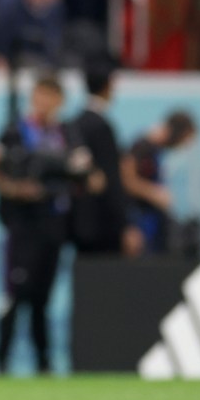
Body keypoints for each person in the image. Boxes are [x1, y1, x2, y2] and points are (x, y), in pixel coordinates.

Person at [0, 75, 95, 374]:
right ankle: (1, 361)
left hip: (54, 225)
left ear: (60, 101)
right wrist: (14, 188)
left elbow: (88, 172)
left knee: (43, 297)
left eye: (51, 97)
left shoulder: (67, 133)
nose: (44, 103)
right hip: (23, 225)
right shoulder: (16, 131)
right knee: (16, 293)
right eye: (40, 96)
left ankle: (44, 363)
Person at [68, 62, 143, 256]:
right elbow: (112, 177)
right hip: (104, 225)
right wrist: (125, 225)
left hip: (78, 223)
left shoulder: (74, 123)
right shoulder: (101, 126)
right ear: (108, 86)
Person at [121, 110, 198, 253]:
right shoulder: (141, 147)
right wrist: (154, 193)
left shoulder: (157, 151)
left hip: (153, 221)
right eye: (183, 140)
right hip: (138, 219)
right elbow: (126, 180)